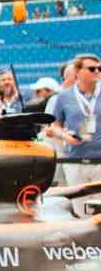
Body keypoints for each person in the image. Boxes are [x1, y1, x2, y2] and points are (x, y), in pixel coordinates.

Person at [48, 54, 101, 186]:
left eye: (99, 69)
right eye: (91, 69)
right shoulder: (64, 96)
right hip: (75, 161)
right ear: (78, 72)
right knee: (78, 205)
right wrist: (64, 135)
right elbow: (55, 125)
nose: (97, 72)